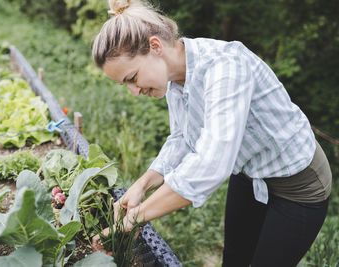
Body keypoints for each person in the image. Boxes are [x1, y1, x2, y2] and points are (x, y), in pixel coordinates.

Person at [91, 0, 332, 266]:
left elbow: (211, 163)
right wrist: (142, 184)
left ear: (156, 47)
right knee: (234, 260)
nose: (134, 92)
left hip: (298, 185)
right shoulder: (173, 79)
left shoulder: (225, 68)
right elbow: (183, 138)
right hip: (249, 172)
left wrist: (135, 217)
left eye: (132, 78)